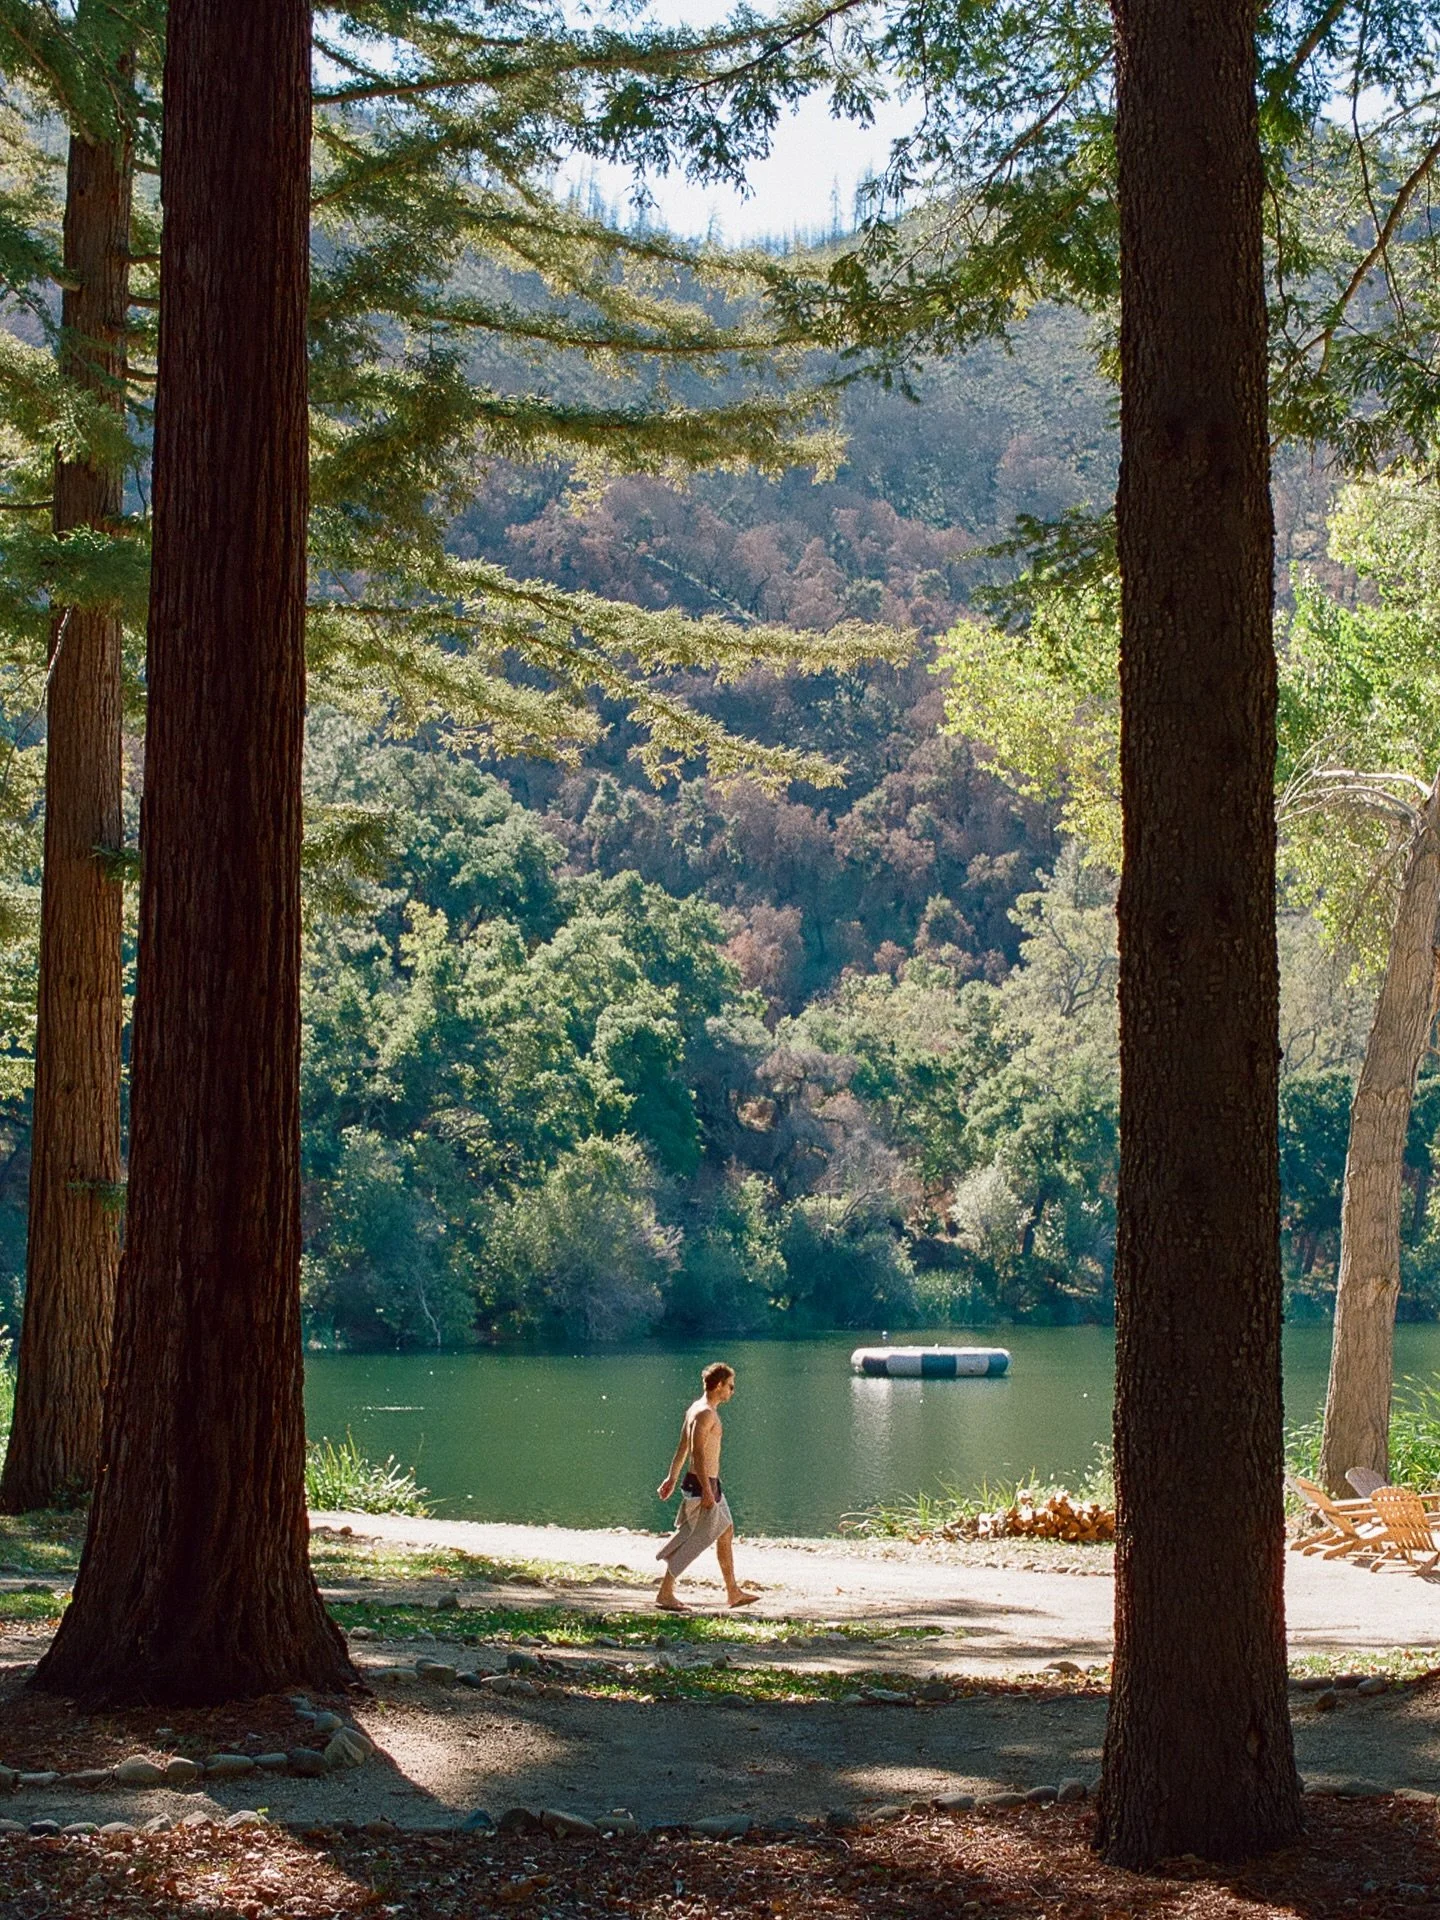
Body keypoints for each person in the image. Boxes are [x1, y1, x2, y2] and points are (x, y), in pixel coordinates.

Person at [655, 1361, 759, 1612]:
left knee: (725, 1531)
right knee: (696, 1539)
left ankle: (732, 1592)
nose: (733, 1391)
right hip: (703, 1485)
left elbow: (682, 1448)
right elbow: (697, 1453)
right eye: (731, 1386)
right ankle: (665, 1592)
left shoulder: (697, 1409)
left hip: (709, 1483)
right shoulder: (705, 1413)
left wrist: (671, 1478)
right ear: (719, 1385)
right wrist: (706, 1490)